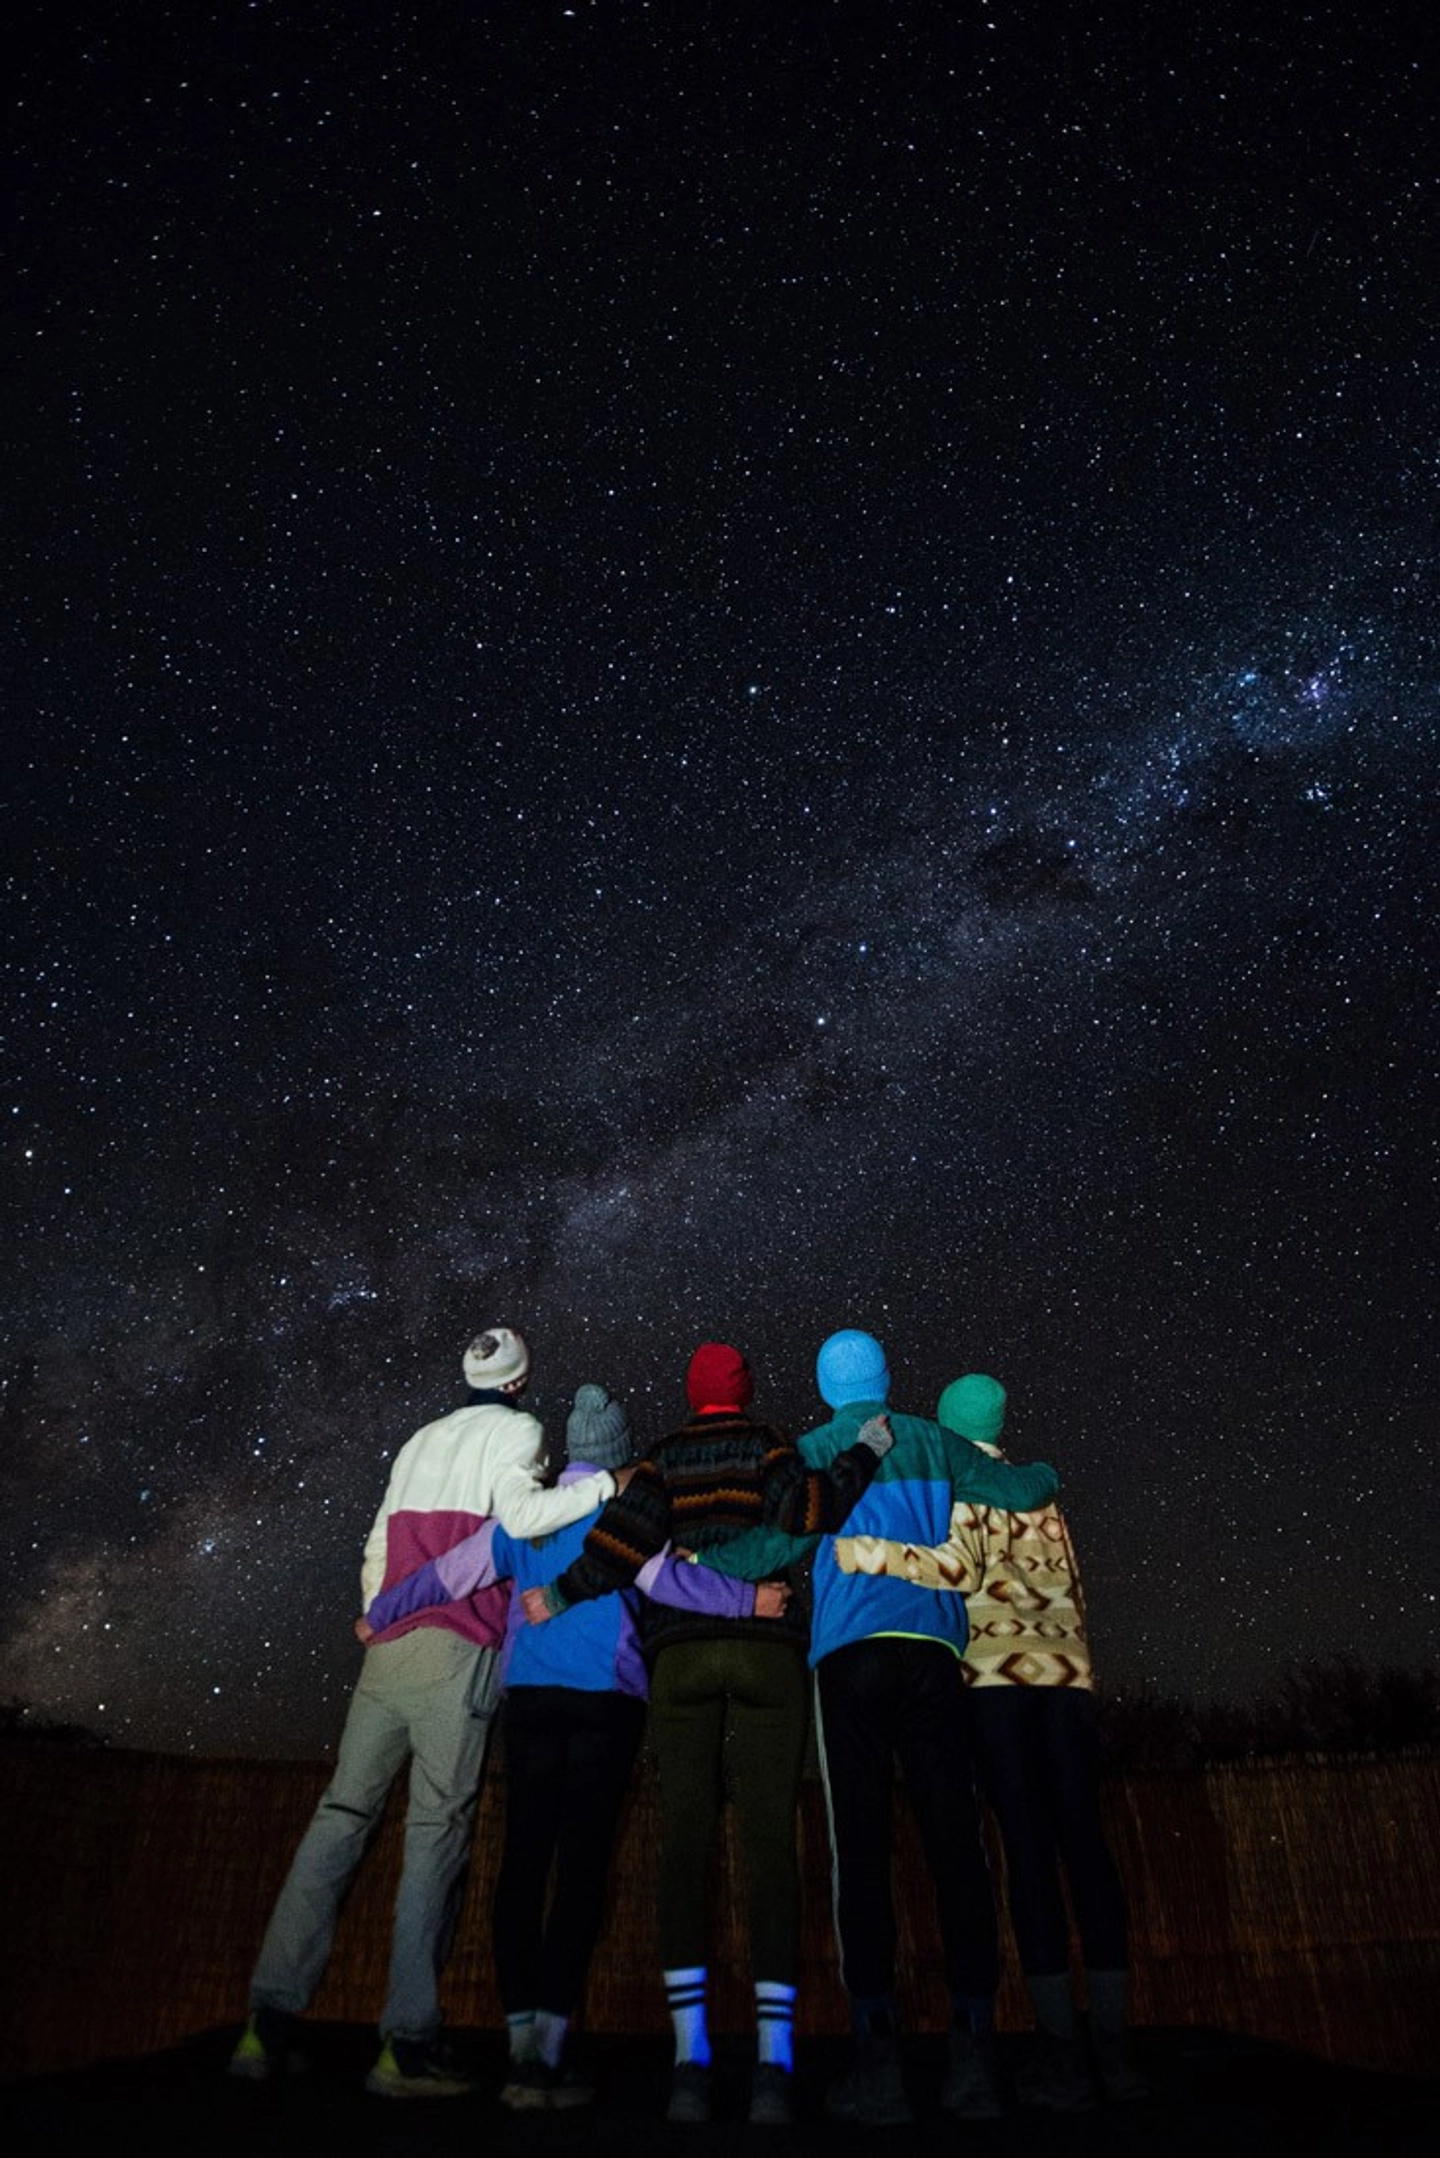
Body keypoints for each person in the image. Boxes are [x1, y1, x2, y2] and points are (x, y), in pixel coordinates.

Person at [356, 1380, 791, 2111]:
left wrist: (382, 1612)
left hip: (530, 1701)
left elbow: (447, 1574)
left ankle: (520, 2036)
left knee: (524, 1860)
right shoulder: (623, 1515)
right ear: (618, 1457)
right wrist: (752, 1600)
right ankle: (546, 2056)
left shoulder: (523, 1518)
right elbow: (672, 1583)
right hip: (606, 1703)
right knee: (582, 1869)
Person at [227, 1327, 626, 2099]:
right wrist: (605, 1488)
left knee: (340, 1817)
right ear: (520, 1380)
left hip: (391, 1649)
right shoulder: (519, 1430)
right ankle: (406, 2044)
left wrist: (375, 1610)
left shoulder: (417, 1440)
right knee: (435, 1833)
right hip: (458, 1650)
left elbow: (378, 1535)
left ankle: (266, 2025)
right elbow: (518, 1517)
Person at [521, 1341, 894, 2128]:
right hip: (768, 1658)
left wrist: (556, 1594)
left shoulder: (659, 1459)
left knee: (683, 1846)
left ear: (690, 1395)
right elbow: (811, 1513)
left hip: (681, 1661)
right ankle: (771, 2066)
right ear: (746, 1389)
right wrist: (863, 1455)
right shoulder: (769, 1445)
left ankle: (690, 2064)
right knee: (768, 1850)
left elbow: (618, 1546)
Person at [704, 1328, 1061, 2127]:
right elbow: (1020, 1491)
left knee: (857, 1851)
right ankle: (974, 2057)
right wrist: (1050, 1473)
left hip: (849, 1657)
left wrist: (707, 1563)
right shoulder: (933, 1438)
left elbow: (775, 1540)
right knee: (956, 1845)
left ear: (830, 1387)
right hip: (933, 1651)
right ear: (889, 1376)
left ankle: (880, 2065)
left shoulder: (814, 1447)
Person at [834, 1371, 1147, 2109]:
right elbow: (1073, 1584)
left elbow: (956, 1569)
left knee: (1027, 1851)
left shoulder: (963, 1484)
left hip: (995, 1685)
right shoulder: (1040, 1494)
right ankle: (1117, 2046)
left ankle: (1063, 2053)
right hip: (1066, 1683)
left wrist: (866, 1553)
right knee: (1086, 1846)